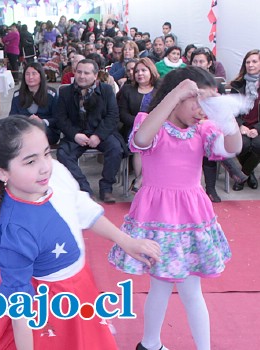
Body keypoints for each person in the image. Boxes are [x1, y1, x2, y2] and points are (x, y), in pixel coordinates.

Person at [0, 116, 160, 350]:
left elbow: (81, 208)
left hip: (79, 287)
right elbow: (20, 311)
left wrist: (126, 242)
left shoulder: (55, 173)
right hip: (45, 308)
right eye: (30, 162)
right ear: (2, 173)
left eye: (46, 153)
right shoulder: (14, 232)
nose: (44, 166)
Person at [109, 66, 241, 350]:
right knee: (161, 284)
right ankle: (151, 343)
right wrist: (177, 93)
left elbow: (232, 147)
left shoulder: (204, 129)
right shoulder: (150, 122)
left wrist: (225, 115)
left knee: (190, 288)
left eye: (208, 103)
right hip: (157, 218)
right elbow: (141, 140)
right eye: (197, 100)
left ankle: (155, 344)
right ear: (177, 95)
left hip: (191, 216)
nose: (202, 110)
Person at [55, 59, 124, 203]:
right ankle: (84, 189)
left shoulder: (106, 90)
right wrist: (75, 135)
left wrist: (99, 135)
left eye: (86, 73)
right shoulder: (65, 92)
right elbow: (61, 118)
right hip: (76, 133)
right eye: (79, 72)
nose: (81, 76)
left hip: (100, 132)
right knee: (63, 153)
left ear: (95, 75)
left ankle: (106, 188)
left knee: (116, 148)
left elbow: (113, 116)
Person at [190, 48, 248, 201]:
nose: (198, 64)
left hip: (211, 124)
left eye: (201, 61)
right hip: (191, 124)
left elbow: (221, 109)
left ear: (209, 63)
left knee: (212, 136)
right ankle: (234, 170)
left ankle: (210, 189)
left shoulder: (216, 84)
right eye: (195, 61)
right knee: (210, 137)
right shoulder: (186, 83)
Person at [117, 58, 160, 192]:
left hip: (158, 127)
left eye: (143, 70)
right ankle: (141, 180)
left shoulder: (160, 90)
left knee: (156, 140)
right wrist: (139, 124)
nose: (139, 74)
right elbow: (122, 113)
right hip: (133, 127)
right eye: (137, 71)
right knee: (140, 141)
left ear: (151, 71)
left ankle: (140, 180)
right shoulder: (127, 90)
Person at [230, 49, 260, 191]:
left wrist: (257, 129)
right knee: (243, 144)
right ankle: (250, 173)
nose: (250, 65)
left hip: (258, 127)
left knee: (258, 145)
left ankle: (243, 175)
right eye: (247, 62)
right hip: (240, 127)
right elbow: (230, 111)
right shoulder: (237, 85)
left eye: (254, 61)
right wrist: (240, 125)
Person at [10, 62, 60, 144]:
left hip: (47, 131)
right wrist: (26, 122)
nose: (30, 77)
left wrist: (42, 122)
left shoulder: (51, 94)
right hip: (24, 129)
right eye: (27, 74)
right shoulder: (17, 95)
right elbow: (12, 118)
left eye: (34, 74)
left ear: (41, 76)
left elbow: (57, 118)